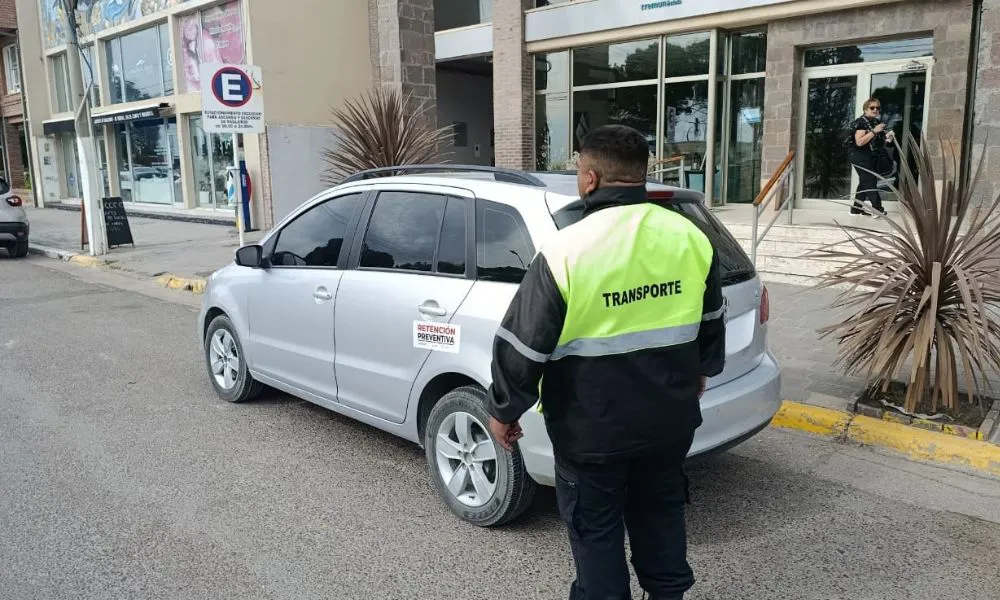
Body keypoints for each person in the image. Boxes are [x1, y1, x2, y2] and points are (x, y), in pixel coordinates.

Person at [485, 124, 726, 600]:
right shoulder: (690, 237)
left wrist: (502, 411)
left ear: (590, 178)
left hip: (591, 432)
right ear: (642, 174)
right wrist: (698, 374)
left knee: (596, 536)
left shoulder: (566, 249)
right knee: (661, 520)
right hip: (667, 423)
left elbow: (525, 345)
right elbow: (712, 320)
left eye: (578, 169)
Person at [849, 98, 895, 216]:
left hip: (870, 156)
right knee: (870, 181)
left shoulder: (875, 122)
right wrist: (874, 131)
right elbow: (859, 142)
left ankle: (856, 208)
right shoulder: (861, 122)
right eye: (872, 108)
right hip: (859, 156)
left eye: (877, 108)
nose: (875, 110)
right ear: (865, 109)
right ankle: (877, 209)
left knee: (865, 181)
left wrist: (887, 137)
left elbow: (877, 142)